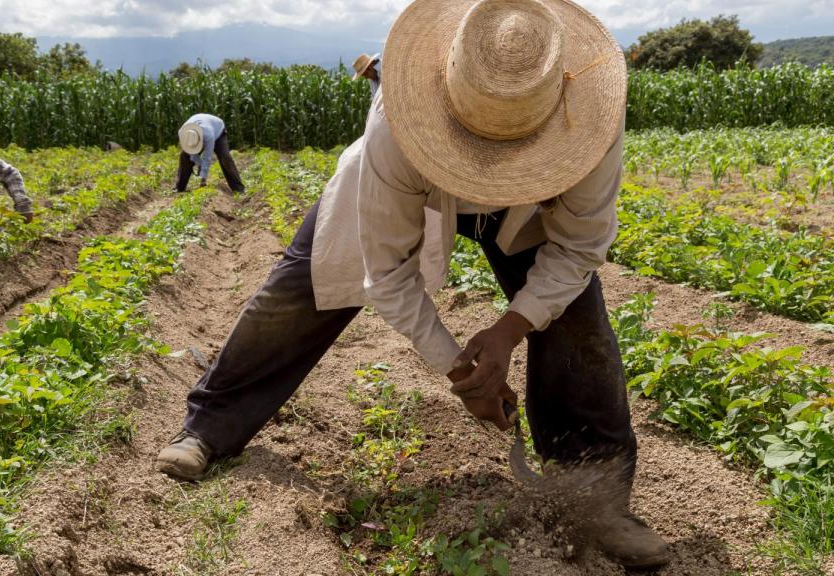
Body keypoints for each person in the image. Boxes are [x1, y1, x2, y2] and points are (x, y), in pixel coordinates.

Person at [157, 0, 670, 569]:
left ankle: (598, 502)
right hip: (417, 188)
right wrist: (458, 368)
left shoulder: (592, 116)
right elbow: (387, 273)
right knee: (299, 294)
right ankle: (208, 427)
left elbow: (578, 248)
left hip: (531, 208)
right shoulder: (397, 126)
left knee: (576, 322)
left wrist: (509, 330)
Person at [176, 114, 245, 193]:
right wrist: (199, 164)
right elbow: (192, 155)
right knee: (185, 157)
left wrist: (203, 177)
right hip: (202, 129)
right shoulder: (183, 133)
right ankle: (180, 188)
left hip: (218, 131)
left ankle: (239, 189)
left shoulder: (208, 135)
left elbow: (207, 157)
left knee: (225, 157)